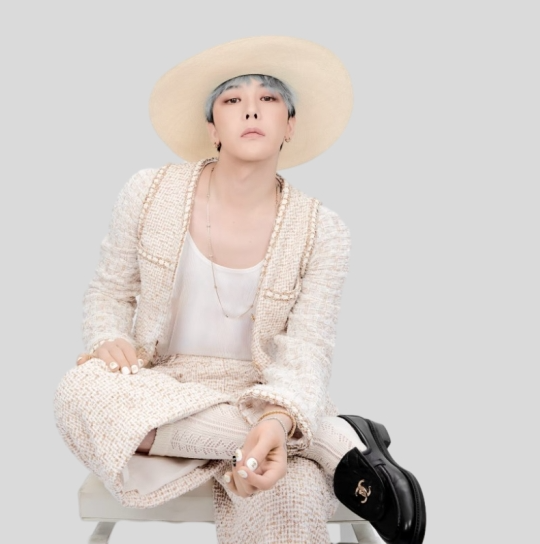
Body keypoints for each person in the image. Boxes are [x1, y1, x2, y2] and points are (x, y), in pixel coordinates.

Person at [54, 36, 426, 544]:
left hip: (261, 395)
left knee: (292, 495)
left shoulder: (323, 230)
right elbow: (108, 291)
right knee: (79, 390)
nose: (251, 109)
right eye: (232, 99)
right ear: (212, 127)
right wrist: (108, 338)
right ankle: (330, 441)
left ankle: (279, 438)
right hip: (159, 386)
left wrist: (277, 420)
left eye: (268, 98)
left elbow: (307, 350)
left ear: (289, 124)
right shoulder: (149, 192)